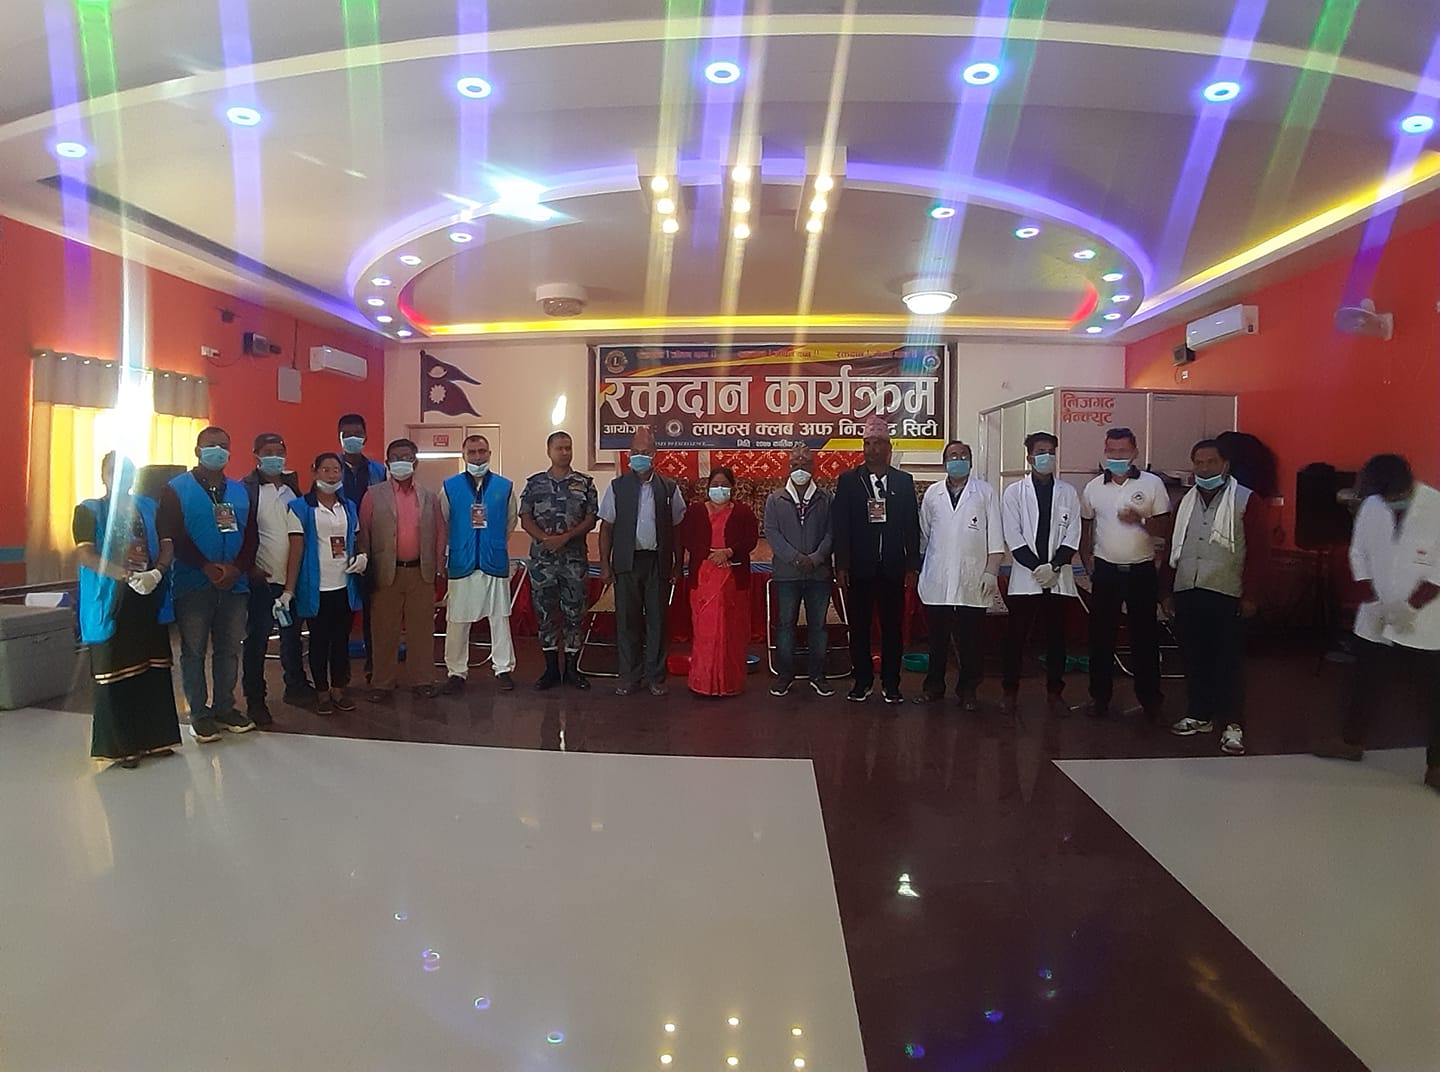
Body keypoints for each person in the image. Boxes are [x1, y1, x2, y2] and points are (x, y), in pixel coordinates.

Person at [1314, 454, 1440, 792]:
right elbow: (1359, 553)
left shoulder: (1436, 507)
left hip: (1425, 617)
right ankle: (1351, 741)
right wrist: (1371, 596)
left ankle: (1437, 765)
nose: (1387, 501)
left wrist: (1410, 607)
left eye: (1393, 496)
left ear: (1407, 484)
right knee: (1364, 681)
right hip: (1377, 612)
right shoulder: (1372, 504)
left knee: (1434, 693)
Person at [74, 453, 182, 768]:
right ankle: (122, 747)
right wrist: (125, 576)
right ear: (103, 475)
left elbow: (167, 543)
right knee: (116, 671)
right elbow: (86, 556)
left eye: (127, 471)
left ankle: (156, 739)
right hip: (112, 600)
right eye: (114, 471)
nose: (121, 477)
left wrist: (158, 572)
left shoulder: (149, 507)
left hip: (148, 595)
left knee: (154, 667)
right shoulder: (89, 510)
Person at [1165, 439, 1268, 755]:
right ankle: (1199, 714)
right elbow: (1172, 548)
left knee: (1228, 663)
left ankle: (1233, 724)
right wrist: (1167, 592)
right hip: (1188, 589)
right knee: (1194, 658)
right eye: (1199, 462)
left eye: (1211, 462)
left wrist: (1252, 595)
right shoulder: (1185, 502)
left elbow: (1260, 553)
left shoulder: (1247, 500)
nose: (1205, 468)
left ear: (1225, 464)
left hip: (1226, 591)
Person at [157, 426, 259, 741]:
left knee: (229, 650)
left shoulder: (240, 491)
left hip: (234, 584)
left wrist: (236, 568)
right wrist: (206, 566)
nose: (218, 450)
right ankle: (199, 714)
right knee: (194, 651)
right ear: (198, 450)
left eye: (224, 445)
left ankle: (225, 708)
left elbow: (251, 535)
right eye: (211, 445)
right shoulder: (176, 489)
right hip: (193, 583)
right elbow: (172, 534)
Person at [1078, 427, 1171, 722]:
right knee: (1100, 638)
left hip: (1141, 570)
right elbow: (1086, 527)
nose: (1117, 456)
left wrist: (1140, 519)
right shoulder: (1093, 487)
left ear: (1135, 452)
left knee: (1145, 637)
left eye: (1123, 451)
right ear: (1105, 452)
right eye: (1112, 451)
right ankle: (1099, 698)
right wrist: (1086, 559)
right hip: (1105, 570)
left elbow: (1164, 527)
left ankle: (1151, 700)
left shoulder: (1152, 484)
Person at [832, 415, 921, 705]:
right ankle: (862, 681)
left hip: (893, 569)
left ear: (889, 448)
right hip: (859, 569)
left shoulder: (903, 482)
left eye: (878, 443)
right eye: (867, 443)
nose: (872, 449)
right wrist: (841, 565)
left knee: (892, 629)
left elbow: (911, 527)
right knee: (859, 628)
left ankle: (891, 684)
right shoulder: (849, 481)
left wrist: (912, 566)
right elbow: (841, 526)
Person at [915, 440, 1004, 710]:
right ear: (944, 463)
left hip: (973, 578)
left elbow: (996, 538)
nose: (958, 460)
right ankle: (934, 687)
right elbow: (925, 533)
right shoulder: (933, 494)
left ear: (971, 461)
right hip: (938, 578)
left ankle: (968, 690)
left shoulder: (985, 492)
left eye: (963, 455)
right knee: (937, 641)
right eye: (952, 456)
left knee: (971, 641)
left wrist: (991, 572)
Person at [598, 426, 686, 697]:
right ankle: (629, 676)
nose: (639, 456)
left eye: (645, 452)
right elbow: (606, 528)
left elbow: (678, 529)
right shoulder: (617, 487)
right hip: (627, 562)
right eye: (635, 452)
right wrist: (604, 564)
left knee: (657, 622)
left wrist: (677, 564)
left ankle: (656, 677)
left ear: (655, 454)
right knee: (627, 621)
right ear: (628, 454)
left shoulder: (669, 488)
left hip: (657, 563)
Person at [358, 438, 445, 701]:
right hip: (385, 572)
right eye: (395, 458)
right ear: (387, 463)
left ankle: (423, 679)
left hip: (421, 572)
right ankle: (382, 683)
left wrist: (439, 565)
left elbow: (440, 532)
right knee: (384, 631)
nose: (401, 462)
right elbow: (364, 532)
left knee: (422, 630)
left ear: (415, 463)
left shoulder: (429, 496)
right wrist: (365, 565)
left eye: (407, 457)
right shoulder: (373, 494)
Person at [1001, 432, 1082, 714]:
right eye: (1040, 452)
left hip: (1057, 576)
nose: (1046, 456)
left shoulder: (1068, 492)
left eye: (1050, 451)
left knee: (1057, 639)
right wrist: (1037, 567)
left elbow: (1073, 533)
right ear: (1029, 457)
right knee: (1016, 638)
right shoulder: (1014, 492)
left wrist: (1055, 565)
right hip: (1027, 575)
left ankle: (1055, 693)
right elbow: (1012, 534)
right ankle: (1010, 692)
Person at [284, 453, 366, 715]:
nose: (332, 475)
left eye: (336, 470)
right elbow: (296, 550)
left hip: (344, 584)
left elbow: (357, 539)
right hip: (316, 588)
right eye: (326, 470)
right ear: (314, 472)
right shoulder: (300, 508)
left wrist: (362, 557)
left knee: (341, 640)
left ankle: (339, 689)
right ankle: (321, 692)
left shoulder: (348, 506)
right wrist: (289, 589)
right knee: (319, 641)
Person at [440, 435, 518, 694]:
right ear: (464, 455)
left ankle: (503, 668)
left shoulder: (504, 487)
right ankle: (456, 672)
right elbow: (444, 521)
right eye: (472, 452)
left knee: (500, 618)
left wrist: (492, 543)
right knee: (457, 619)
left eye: (482, 451)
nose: (477, 457)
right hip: (462, 560)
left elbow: (510, 521)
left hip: (493, 559)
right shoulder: (449, 487)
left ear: (490, 453)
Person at [520, 431, 598, 691]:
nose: (565, 452)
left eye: (568, 448)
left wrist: (565, 537)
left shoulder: (585, 483)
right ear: (549, 451)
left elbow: (591, 519)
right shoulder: (535, 483)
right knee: (545, 615)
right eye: (559, 448)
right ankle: (551, 669)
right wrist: (545, 538)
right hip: (543, 563)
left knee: (575, 614)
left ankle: (573, 670)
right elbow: (525, 518)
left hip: (574, 562)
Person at [240, 432, 308, 725]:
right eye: (268, 452)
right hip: (262, 579)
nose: (275, 457)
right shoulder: (246, 490)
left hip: (292, 579)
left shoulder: (292, 488)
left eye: (279, 451)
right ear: (256, 454)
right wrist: (248, 567)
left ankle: (296, 685)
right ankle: (256, 700)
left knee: (292, 635)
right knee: (257, 640)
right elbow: (239, 531)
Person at [680, 467, 760, 697]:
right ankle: (703, 683)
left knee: (732, 633)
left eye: (724, 484)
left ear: (732, 487)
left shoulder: (743, 512)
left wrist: (728, 552)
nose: (719, 488)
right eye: (715, 484)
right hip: (703, 576)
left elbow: (751, 540)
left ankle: (730, 683)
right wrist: (710, 554)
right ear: (708, 487)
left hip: (734, 578)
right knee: (705, 632)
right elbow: (687, 538)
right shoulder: (696, 511)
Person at [764, 444, 836, 697]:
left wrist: (817, 558)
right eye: (795, 463)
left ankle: (818, 675)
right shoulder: (775, 499)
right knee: (785, 625)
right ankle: (785, 676)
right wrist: (795, 558)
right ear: (788, 466)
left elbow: (832, 532)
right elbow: (772, 533)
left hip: (819, 573)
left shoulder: (826, 499)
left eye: (805, 463)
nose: (800, 468)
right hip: (786, 574)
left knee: (818, 626)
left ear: (814, 467)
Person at [338, 413, 387, 684]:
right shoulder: (330, 467)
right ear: (339, 437)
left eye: (357, 433)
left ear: (365, 436)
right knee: (341, 614)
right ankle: (340, 674)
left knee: (374, 613)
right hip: (338, 549)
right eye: (346, 434)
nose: (352, 438)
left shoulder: (378, 471)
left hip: (372, 548)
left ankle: (374, 669)